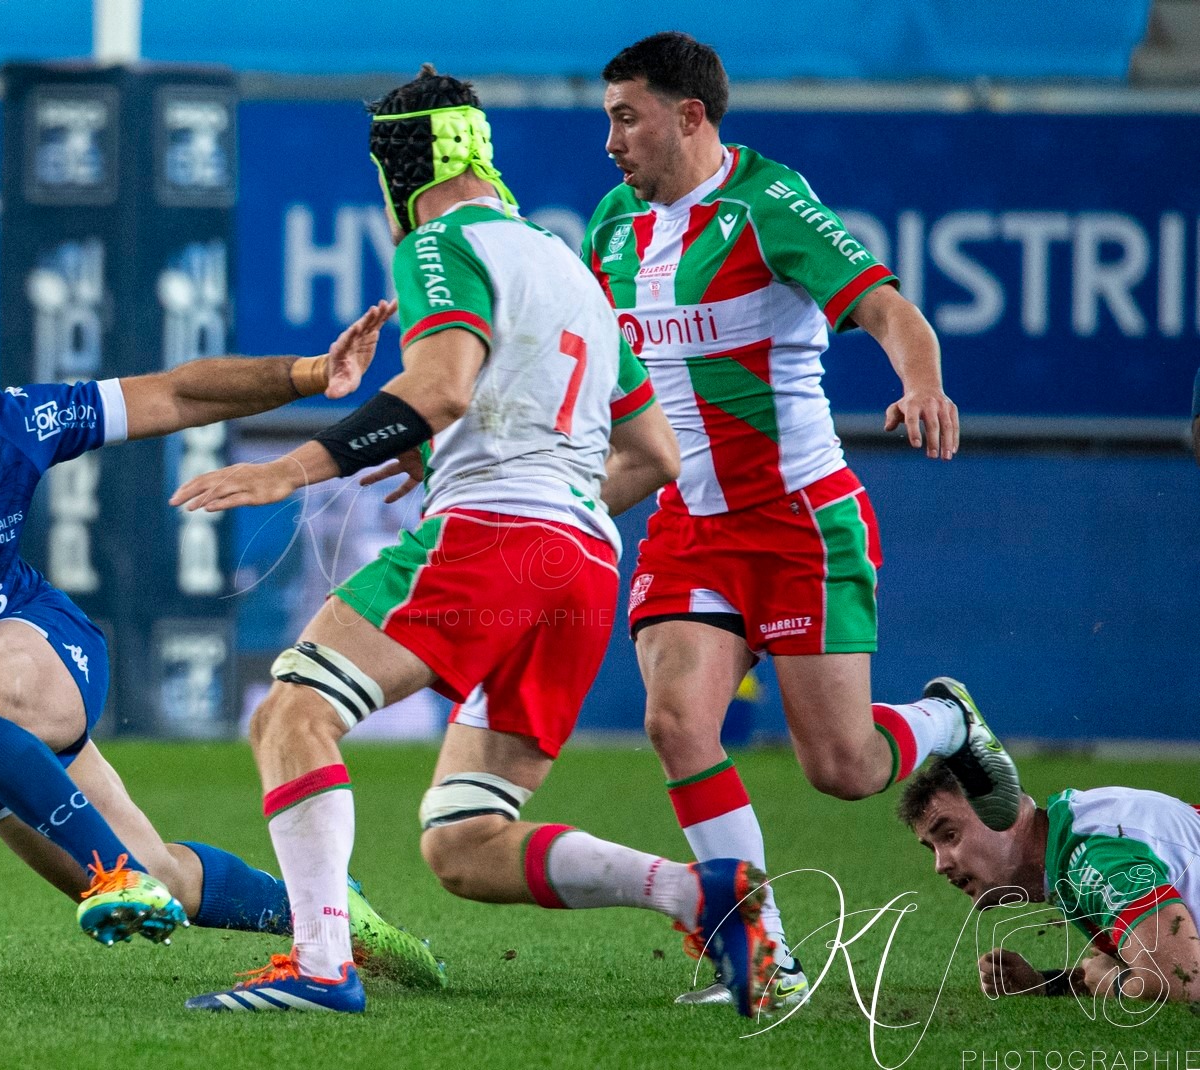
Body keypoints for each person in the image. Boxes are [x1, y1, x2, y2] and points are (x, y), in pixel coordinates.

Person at [170, 65, 777, 1017]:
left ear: (400, 165)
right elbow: (654, 452)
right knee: (465, 840)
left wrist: (289, 471)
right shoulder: (567, 265)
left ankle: (321, 965)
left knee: (291, 713)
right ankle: (698, 892)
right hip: (579, 562)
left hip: (496, 536)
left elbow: (443, 385)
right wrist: (538, 505)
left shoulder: (443, 241)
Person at [0, 255, 444, 987]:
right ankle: (328, 915)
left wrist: (309, 374)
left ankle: (112, 875)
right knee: (170, 881)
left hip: (44, 654)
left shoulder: (4, 420)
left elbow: (173, 394)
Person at [582, 30, 1023, 1009]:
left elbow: (889, 310)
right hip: (689, 521)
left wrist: (924, 385)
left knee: (843, 766)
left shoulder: (770, 204)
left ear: (689, 116)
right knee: (675, 720)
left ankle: (948, 718)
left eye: (627, 117)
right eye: (607, 118)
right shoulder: (612, 228)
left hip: (799, 524)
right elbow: (588, 381)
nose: (610, 140)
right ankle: (764, 955)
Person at [899, 760, 1200, 1004]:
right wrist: (1048, 983)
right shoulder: (1073, 838)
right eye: (932, 848)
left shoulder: (1092, 859)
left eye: (950, 835)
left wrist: (1109, 983)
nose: (941, 864)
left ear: (1007, 812)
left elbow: (1184, 982)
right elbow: (1143, 964)